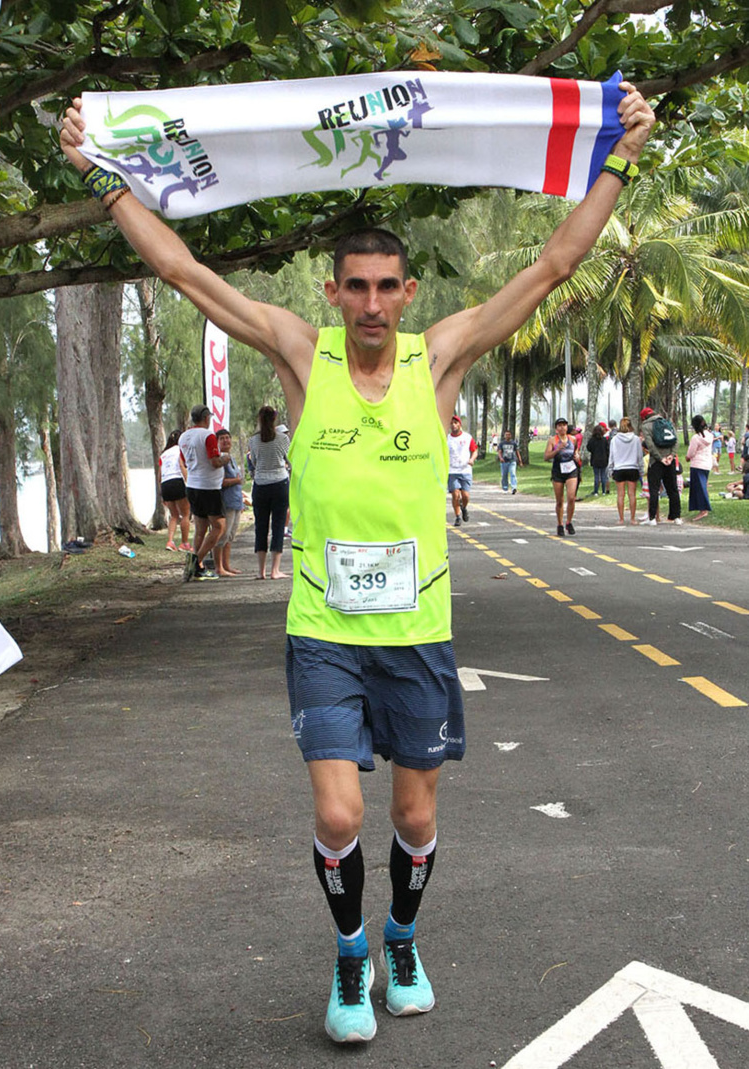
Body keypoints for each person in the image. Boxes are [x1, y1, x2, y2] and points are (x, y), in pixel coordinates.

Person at [60, 81, 654, 1044]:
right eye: (357, 286)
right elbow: (188, 274)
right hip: (325, 633)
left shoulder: (442, 356)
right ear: (332, 292)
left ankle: (403, 936)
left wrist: (621, 156)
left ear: (407, 294)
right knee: (340, 815)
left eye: (389, 287)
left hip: (416, 634)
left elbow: (552, 263)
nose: (373, 303)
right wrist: (101, 180)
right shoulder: (303, 354)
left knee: (413, 820)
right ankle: (348, 955)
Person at [178, 403, 232, 581]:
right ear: (206, 418)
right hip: (209, 487)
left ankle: (198, 568)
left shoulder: (184, 436)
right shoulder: (207, 436)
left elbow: (185, 462)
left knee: (201, 529)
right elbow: (214, 462)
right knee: (219, 526)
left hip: (192, 485)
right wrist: (226, 458)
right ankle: (196, 561)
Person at [248, 406, 290, 580]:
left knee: (261, 526)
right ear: (275, 419)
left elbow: (255, 461)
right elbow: (289, 459)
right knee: (278, 526)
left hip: (260, 485)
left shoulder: (254, 440)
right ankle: (275, 570)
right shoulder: (283, 439)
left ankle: (261, 571)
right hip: (279, 483)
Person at [639, 406, 682, 525]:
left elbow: (650, 444)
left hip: (656, 461)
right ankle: (676, 516)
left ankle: (652, 518)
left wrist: (660, 458)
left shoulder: (646, 426)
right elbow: (676, 441)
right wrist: (671, 455)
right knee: (673, 489)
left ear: (644, 417)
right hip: (670, 460)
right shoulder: (666, 422)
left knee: (654, 489)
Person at [214, 428, 244, 576]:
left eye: (227, 437)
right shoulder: (220, 459)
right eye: (222, 438)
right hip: (226, 501)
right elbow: (220, 482)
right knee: (223, 535)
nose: (226, 441)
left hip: (236, 500)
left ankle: (227, 565)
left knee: (231, 535)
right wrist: (236, 480)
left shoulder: (230, 458)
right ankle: (219, 567)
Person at [544, 417, 581, 535]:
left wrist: (577, 456)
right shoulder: (552, 440)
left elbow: (575, 451)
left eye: (564, 425)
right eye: (559, 425)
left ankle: (569, 522)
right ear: (556, 429)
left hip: (571, 470)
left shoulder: (572, 439)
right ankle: (559, 524)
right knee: (559, 500)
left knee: (571, 497)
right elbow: (546, 457)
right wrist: (557, 450)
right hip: (558, 471)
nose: (562, 427)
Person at [607, 416, 644, 524]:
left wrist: (610, 469)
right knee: (632, 494)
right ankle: (632, 518)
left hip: (619, 468)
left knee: (620, 494)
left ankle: (621, 518)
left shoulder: (614, 439)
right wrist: (641, 469)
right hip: (632, 467)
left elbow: (612, 455)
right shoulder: (636, 439)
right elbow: (639, 455)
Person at [159, 429, 192, 551]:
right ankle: (184, 543)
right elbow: (181, 465)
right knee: (185, 514)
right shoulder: (181, 450)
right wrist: (188, 482)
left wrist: (161, 493)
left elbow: (159, 475)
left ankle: (170, 542)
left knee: (173, 515)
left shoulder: (163, 454)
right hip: (177, 481)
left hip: (165, 483)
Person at [447, 415, 477, 522]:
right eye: (451, 423)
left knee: (465, 496)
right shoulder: (447, 438)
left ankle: (464, 508)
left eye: (455, 423)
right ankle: (458, 516)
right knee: (455, 494)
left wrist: (472, 459)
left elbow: (474, 450)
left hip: (465, 470)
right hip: (452, 470)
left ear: (460, 424)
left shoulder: (467, 437)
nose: (453, 425)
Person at [685, 415, 713, 520]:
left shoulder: (696, 438)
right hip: (707, 463)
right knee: (703, 486)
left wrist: (687, 458)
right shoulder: (710, 436)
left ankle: (703, 510)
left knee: (699, 488)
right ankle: (704, 507)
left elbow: (691, 452)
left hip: (697, 464)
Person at [586, 423, 610, 495]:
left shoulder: (592, 440)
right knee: (603, 476)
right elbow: (607, 449)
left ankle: (596, 491)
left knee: (596, 476)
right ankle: (603, 491)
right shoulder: (604, 440)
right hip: (604, 460)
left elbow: (588, 448)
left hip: (595, 459)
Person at [497, 429, 521, 494]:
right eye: (506, 435)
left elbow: (517, 452)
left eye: (509, 435)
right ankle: (505, 488)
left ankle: (514, 487)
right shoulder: (502, 443)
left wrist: (520, 461)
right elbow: (499, 452)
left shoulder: (514, 443)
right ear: (504, 436)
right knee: (504, 475)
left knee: (513, 473)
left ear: (511, 436)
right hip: (504, 461)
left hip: (512, 461)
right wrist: (501, 458)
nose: (508, 436)